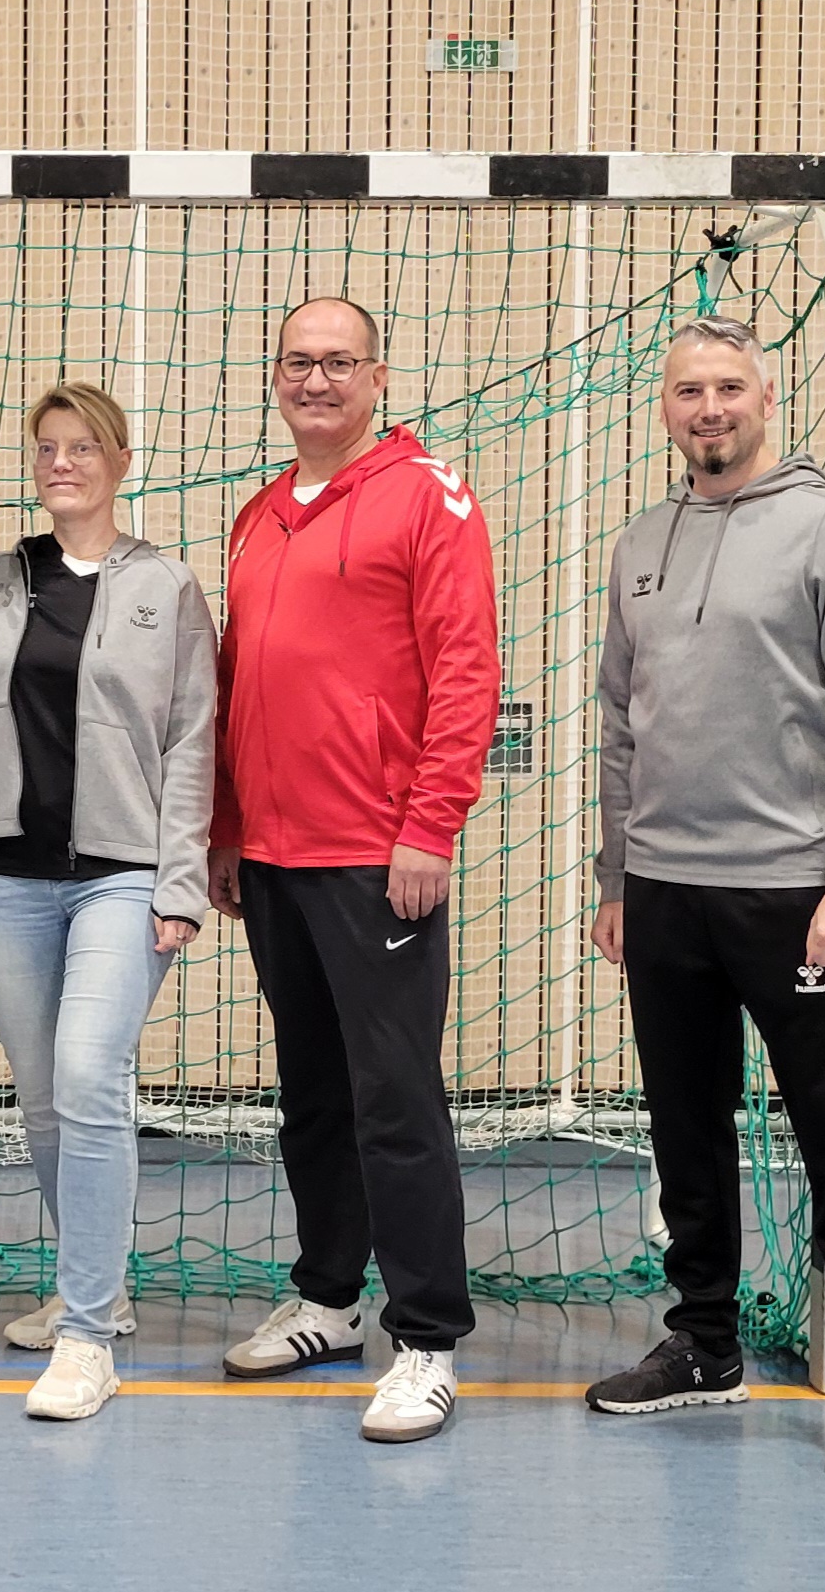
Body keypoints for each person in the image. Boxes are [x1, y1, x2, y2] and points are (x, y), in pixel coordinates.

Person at [585, 315, 825, 1481]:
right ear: (665, 409)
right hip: (664, 892)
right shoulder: (639, 543)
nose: (708, 408)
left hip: (794, 896)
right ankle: (702, 1341)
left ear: (764, 400)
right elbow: (618, 723)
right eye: (687, 391)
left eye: (727, 387)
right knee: (684, 1128)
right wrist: (615, 877)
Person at [207, 296, 501, 1444]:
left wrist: (428, 826)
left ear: (377, 376)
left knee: (394, 1102)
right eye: (297, 361)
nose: (315, 380)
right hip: (271, 859)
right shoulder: (258, 514)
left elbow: (464, 668)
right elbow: (238, 683)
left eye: (337, 362)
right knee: (314, 1098)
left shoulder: (428, 495)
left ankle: (425, 1338)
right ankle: (328, 1301)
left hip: (376, 857)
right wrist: (227, 828)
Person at [0, 383, 218, 1421]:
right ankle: (95, 1289)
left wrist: (181, 881)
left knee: (85, 1075)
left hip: (122, 873)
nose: (62, 463)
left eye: (82, 447)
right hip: (6, 875)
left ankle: (85, 1338)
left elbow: (192, 738)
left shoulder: (167, 585)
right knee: (40, 1096)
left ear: (118, 461)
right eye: (47, 448)